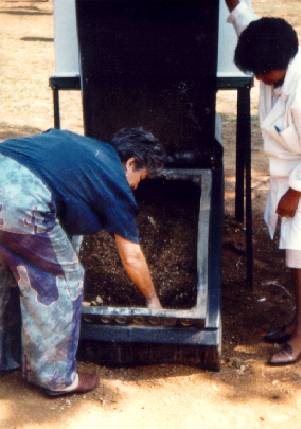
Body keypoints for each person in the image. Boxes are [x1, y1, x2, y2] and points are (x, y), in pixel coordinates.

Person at [0, 127, 166, 395]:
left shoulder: (80, 144)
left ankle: (4, 356)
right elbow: (132, 257)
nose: (136, 186)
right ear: (131, 163)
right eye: (140, 177)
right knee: (62, 278)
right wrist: (152, 301)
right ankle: (55, 378)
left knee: (8, 270)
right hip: (20, 198)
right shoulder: (115, 182)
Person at [225, 0, 301, 365]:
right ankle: (296, 320)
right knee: (292, 256)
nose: (258, 80)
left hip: (298, 184)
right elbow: (245, 20)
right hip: (285, 177)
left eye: (261, 73)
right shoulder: (272, 50)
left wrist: (296, 191)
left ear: (280, 64)